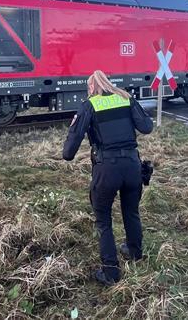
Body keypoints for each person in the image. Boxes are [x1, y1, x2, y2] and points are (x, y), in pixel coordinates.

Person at [62, 70, 154, 286]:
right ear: (108, 84)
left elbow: (69, 152)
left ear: (92, 87)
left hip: (106, 170)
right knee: (131, 212)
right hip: (132, 166)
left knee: (104, 221)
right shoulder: (125, 98)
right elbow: (146, 127)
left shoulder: (89, 105)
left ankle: (111, 272)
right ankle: (134, 252)